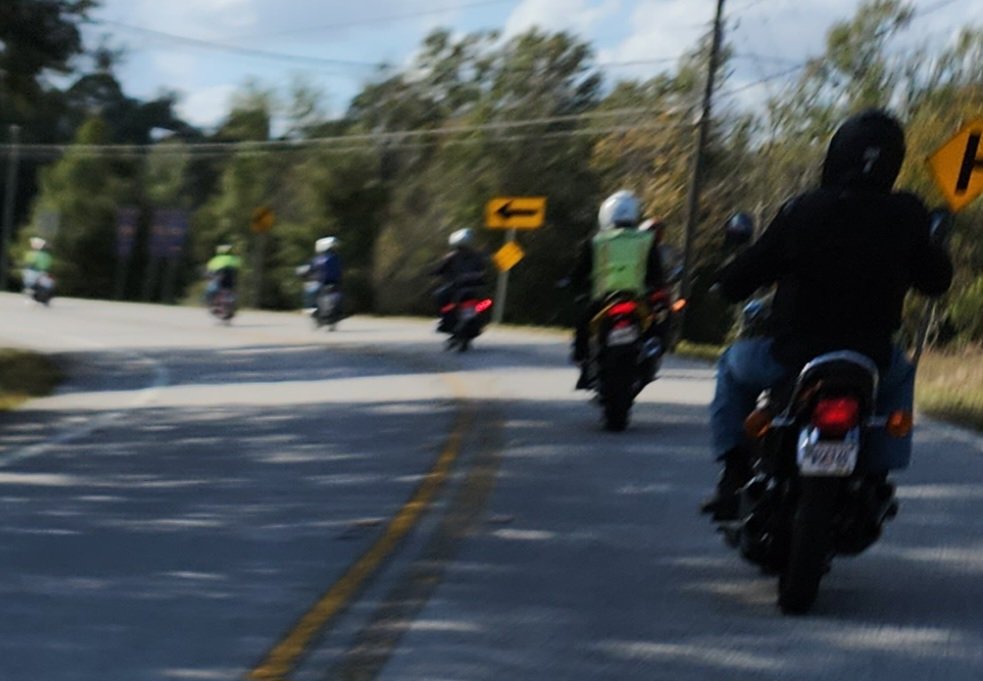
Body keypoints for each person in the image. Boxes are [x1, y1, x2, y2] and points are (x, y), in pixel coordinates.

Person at [701, 109, 953, 521]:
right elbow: (937, 281)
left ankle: (733, 472)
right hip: (870, 360)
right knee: (902, 374)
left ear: (838, 154)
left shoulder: (803, 210)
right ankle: (877, 476)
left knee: (731, 364)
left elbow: (749, 271)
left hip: (791, 357)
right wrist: (930, 246)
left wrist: (726, 282)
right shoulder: (908, 214)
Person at [567, 190, 665, 388]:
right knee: (654, 329)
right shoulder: (646, 240)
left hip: (603, 300)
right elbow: (656, 273)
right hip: (637, 300)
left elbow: (580, 272)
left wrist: (573, 283)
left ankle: (584, 366)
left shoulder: (596, 241)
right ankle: (650, 360)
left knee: (583, 327)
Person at [431, 228, 488, 331]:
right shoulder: (478, 255)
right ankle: (447, 320)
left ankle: (444, 319)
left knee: (439, 295)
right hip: (475, 286)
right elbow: (483, 269)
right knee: (442, 296)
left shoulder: (452, 256)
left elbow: (441, 269)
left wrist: (433, 272)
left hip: (459, 286)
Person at [304, 236, 343, 309]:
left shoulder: (319, 259)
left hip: (322, 283)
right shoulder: (335, 258)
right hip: (333, 283)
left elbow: (309, 270)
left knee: (310, 288)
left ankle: (311, 308)